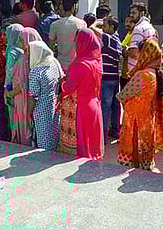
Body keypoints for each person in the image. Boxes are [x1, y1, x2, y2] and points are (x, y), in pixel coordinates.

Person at [117, 39, 163, 170]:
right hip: (147, 118)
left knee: (133, 151)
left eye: (140, 52)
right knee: (144, 147)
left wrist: (121, 98)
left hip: (135, 120)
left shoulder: (142, 75)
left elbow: (123, 95)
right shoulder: (155, 74)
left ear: (145, 53)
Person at [62, 28, 104, 160]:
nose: (75, 44)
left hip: (82, 107)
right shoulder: (97, 61)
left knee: (83, 145)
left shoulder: (80, 64)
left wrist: (61, 82)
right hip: (95, 105)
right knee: (93, 143)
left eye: (76, 41)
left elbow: (68, 88)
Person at [89, 16, 122, 140]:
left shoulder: (108, 38)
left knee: (105, 106)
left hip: (107, 78)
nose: (103, 28)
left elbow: (92, 29)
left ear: (112, 27)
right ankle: (115, 130)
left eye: (105, 26)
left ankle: (102, 134)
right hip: (114, 77)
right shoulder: (117, 39)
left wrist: (97, 22)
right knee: (115, 105)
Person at [8, 28, 42, 146]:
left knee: (23, 126)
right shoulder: (36, 58)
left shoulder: (24, 59)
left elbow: (21, 85)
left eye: (22, 40)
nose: (19, 43)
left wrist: (10, 94)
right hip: (29, 98)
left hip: (22, 98)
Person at [29, 41, 64, 150]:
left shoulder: (35, 71)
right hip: (53, 102)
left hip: (41, 108)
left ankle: (45, 158)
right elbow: (61, 79)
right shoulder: (54, 62)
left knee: (43, 135)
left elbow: (33, 96)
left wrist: (29, 113)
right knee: (53, 130)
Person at [49, 0, 87, 71]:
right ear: (74, 6)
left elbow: (50, 46)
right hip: (77, 64)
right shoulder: (82, 24)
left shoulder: (55, 25)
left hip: (60, 65)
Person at [4, 24, 24, 140]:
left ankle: (14, 138)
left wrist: (7, 90)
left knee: (13, 115)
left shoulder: (12, 51)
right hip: (21, 87)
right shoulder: (23, 49)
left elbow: (9, 72)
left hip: (13, 88)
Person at [127, 2, 158, 72]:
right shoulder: (151, 27)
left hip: (137, 70)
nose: (131, 15)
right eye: (131, 13)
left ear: (142, 13)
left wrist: (126, 51)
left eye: (134, 13)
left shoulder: (139, 28)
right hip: (148, 68)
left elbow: (134, 53)